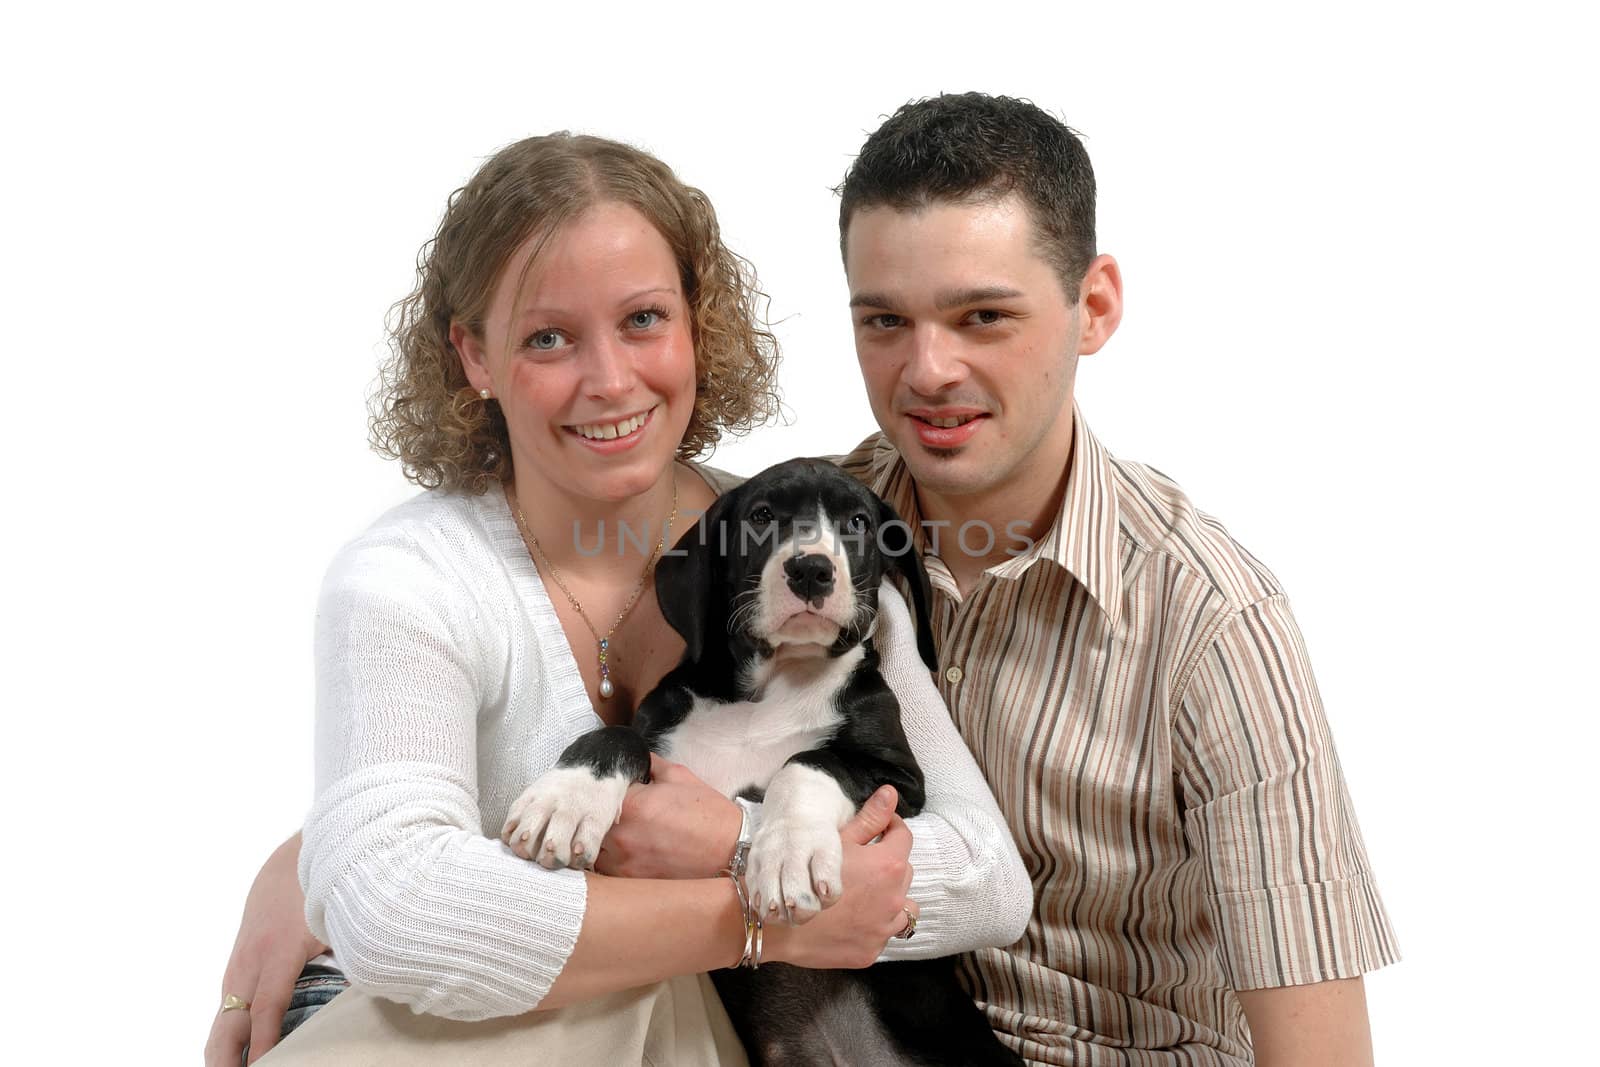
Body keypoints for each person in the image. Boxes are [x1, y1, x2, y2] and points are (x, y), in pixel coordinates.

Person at [205, 131, 1032, 1066]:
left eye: (643, 319)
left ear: (696, 324)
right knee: (600, 985)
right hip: (442, 1027)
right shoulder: (408, 578)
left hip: (695, 1027)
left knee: (628, 982)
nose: (608, 380)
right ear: (473, 356)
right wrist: (765, 920)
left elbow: (986, 876)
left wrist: (735, 840)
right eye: (547, 336)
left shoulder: (811, 549)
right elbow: (396, 913)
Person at [828, 93, 1398, 1065]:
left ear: (1092, 307)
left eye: (982, 316)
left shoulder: (1214, 620)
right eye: (885, 320)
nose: (926, 369)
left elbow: (1321, 1050)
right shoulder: (810, 536)